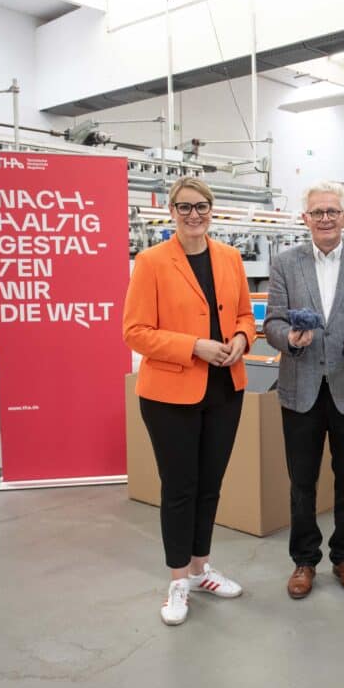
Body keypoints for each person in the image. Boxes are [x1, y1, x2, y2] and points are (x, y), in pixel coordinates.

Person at [123, 176, 256, 626]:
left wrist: (241, 336)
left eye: (201, 206)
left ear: (211, 209)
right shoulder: (151, 262)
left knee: (210, 484)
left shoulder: (230, 257)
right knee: (179, 488)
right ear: (172, 212)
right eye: (184, 207)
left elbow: (242, 312)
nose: (194, 214)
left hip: (223, 389)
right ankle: (178, 580)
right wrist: (193, 346)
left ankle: (201, 568)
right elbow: (135, 332)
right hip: (170, 395)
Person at [264, 181, 344, 600]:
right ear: (305, 218)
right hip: (301, 388)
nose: (325, 218)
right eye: (317, 212)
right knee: (302, 481)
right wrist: (289, 339)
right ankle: (304, 560)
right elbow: (272, 321)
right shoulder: (285, 263)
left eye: (333, 211)